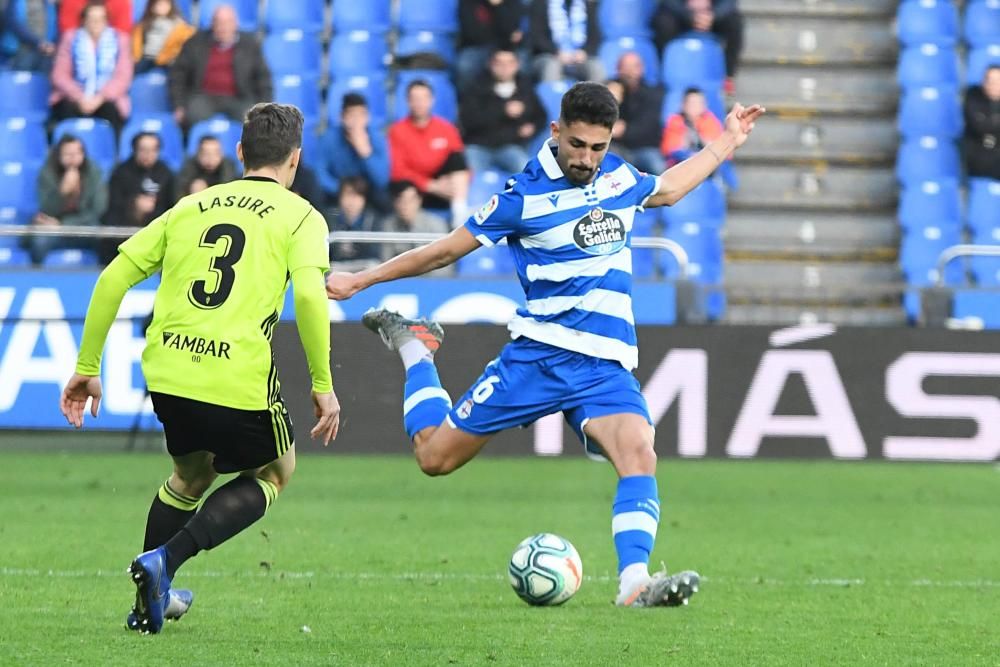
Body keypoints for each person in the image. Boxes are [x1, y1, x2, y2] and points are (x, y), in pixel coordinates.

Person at [326, 82, 764, 607]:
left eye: (597, 147)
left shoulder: (620, 176)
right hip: (537, 358)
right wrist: (362, 280)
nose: (587, 158)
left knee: (639, 453)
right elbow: (444, 250)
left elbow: (668, 188)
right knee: (434, 458)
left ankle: (634, 583)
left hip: (604, 366)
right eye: (577, 145)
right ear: (556, 131)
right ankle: (416, 349)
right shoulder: (522, 195)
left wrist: (726, 142)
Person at [59, 102, 340, 635]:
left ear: (239, 153)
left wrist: (87, 365)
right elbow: (308, 293)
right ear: (295, 160)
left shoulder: (190, 207)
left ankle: (149, 602)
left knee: (189, 476)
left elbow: (113, 277)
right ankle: (165, 561)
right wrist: (323, 385)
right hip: (236, 374)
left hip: (168, 372)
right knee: (277, 472)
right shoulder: (303, 216)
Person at [168, 4, 271, 129]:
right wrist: (179, 105)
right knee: (191, 116)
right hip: (203, 96)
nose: (223, 27)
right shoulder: (194, 42)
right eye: (219, 22)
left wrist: (265, 108)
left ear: (235, 23)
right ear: (212, 24)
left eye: (227, 22)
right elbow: (178, 75)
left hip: (239, 98)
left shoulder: (250, 45)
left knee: (254, 122)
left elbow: (263, 78)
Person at [388, 79, 470, 226]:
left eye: (423, 98)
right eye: (415, 98)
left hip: (445, 190)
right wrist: (430, 185)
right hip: (416, 188)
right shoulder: (397, 131)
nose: (419, 103)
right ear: (408, 101)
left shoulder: (446, 129)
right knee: (405, 190)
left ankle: (459, 214)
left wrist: (447, 185)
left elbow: (464, 167)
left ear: (431, 100)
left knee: (457, 160)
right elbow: (397, 171)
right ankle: (410, 236)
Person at [49, 0, 133, 133]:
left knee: (110, 112)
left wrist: (99, 98)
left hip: (106, 98)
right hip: (75, 97)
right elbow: (59, 75)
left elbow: (123, 76)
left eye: (100, 19)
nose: (96, 23)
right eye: (92, 18)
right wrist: (79, 97)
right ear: (83, 20)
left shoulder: (120, 40)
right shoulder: (70, 38)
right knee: (66, 110)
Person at [460, 48, 547, 176]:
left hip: (509, 146)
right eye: (499, 63)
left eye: (509, 63)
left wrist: (532, 128)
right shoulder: (476, 87)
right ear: (491, 64)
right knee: (469, 178)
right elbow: (469, 121)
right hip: (478, 146)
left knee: (528, 174)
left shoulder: (524, 87)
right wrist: (502, 110)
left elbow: (541, 116)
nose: (504, 68)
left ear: (516, 65)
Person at [22, 133, 107, 264]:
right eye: (68, 154)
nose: (73, 158)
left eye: (77, 153)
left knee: (106, 239)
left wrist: (63, 225)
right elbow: (45, 209)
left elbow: (98, 210)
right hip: (53, 230)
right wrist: (62, 192)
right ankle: (37, 278)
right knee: (40, 241)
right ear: (59, 156)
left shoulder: (93, 172)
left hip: (83, 227)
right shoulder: (47, 172)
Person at [99, 131, 174, 263]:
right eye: (143, 150)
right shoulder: (120, 173)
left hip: (157, 232)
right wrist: (134, 206)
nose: (148, 154)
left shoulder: (166, 174)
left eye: (153, 150)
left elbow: (172, 207)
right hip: (124, 233)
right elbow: (113, 207)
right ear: (135, 150)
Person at [316, 93, 390, 208]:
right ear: (342, 117)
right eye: (352, 115)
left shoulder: (376, 137)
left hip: (367, 192)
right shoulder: (329, 137)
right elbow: (320, 173)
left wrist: (366, 154)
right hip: (338, 190)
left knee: (384, 199)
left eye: (361, 115)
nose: (357, 121)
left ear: (367, 117)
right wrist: (341, 190)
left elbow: (382, 180)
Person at [654, 0, 744, 95]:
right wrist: (690, 16)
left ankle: (728, 75)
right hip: (679, 15)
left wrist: (713, 16)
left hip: (712, 16)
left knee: (734, 23)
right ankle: (662, 73)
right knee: (663, 23)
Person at [606, 51, 667, 175]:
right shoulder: (607, 89)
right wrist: (611, 100)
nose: (630, 72)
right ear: (618, 69)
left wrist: (624, 130)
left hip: (643, 148)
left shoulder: (653, 93)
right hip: (616, 148)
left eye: (634, 67)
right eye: (625, 67)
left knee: (658, 167)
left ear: (642, 69)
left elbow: (648, 127)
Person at [379, 180, 453, 275]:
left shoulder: (436, 224)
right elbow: (385, 262)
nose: (405, 205)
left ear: (419, 200)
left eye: (410, 200)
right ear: (394, 202)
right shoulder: (388, 225)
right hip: (400, 279)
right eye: (400, 200)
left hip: (432, 280)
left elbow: (444, 262)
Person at [456, 0, 526, 90]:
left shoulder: (512, 2)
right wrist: (504, 35)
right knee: (465, 65)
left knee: (523, 64)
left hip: (507, 48)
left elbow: (512, 27)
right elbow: (471, 32)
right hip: (478, 46)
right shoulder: (468, 2)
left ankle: (521, 100)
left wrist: (498, 6)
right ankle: (464, 101)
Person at [528, 0, 603, 83]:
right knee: (552, 66)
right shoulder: (540, 3)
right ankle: (552, 95)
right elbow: (537, 37)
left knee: (595, 67)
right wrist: (556, 52)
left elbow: (595, 36)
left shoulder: (586, 5)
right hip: (549, 55)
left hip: (578, 57)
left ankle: (595, 96)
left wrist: (584, 52)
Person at [661, 87, 725, 166]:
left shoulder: (710, 121)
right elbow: (670, 149)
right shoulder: (675, 121)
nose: (695, 107)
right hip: (680, 165)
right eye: (691, 103)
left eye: (698, 103)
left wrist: (701, 138)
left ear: (704, 105)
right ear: (683, 105)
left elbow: (718, 148)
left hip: (707, 164)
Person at [131, 0, 194, 74]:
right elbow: (137, 43)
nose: (162, 7)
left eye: (165, 4)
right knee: (136, 71)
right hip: (148, 58)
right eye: (159, 5)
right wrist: (136, 57)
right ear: (152, 7)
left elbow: (187, 39)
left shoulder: (178, 24)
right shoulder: (144, 24)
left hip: (167, 59)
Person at [329, 176, 382, 264]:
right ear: (340, 197)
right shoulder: (330, 218)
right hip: (335, 269)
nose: (351, 201)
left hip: (365, 269)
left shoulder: (373, 220)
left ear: (364, 199)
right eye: (348, 195)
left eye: (356, 196)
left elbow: (376, 254)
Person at [963, 65, 1000, 181]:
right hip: (979, 161)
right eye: (989, 80)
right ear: (983, 82)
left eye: (997, 81)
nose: (993, 84)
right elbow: (978, 126)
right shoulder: (973, 96)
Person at [1, 0, 58, 72]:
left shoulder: (48, 2)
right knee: (21, 77)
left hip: (44, 50)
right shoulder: (15, 2)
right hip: (21, 50)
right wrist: (38, 43)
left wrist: (51, 44)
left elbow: (52, 23)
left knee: (41, 80)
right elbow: (15, 24)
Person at [58, 0, 131, 34]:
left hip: (112, 52)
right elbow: (68, 34)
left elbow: (122, 35)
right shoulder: (71, 2)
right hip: (77, 51)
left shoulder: (120, 3)